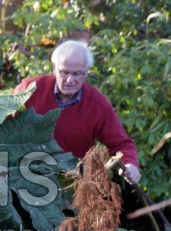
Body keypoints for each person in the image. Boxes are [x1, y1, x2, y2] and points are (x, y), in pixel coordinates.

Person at [14, 40, 141, 183]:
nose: (70, 80)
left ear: (87, 72)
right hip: (23, 174)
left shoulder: (97, 105)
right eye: (64, 72)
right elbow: (2, 123)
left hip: (70, 181)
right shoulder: (30, 89)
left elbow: (121, 144)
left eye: (77, 74)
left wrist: (130, 164)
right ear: (54, 68)